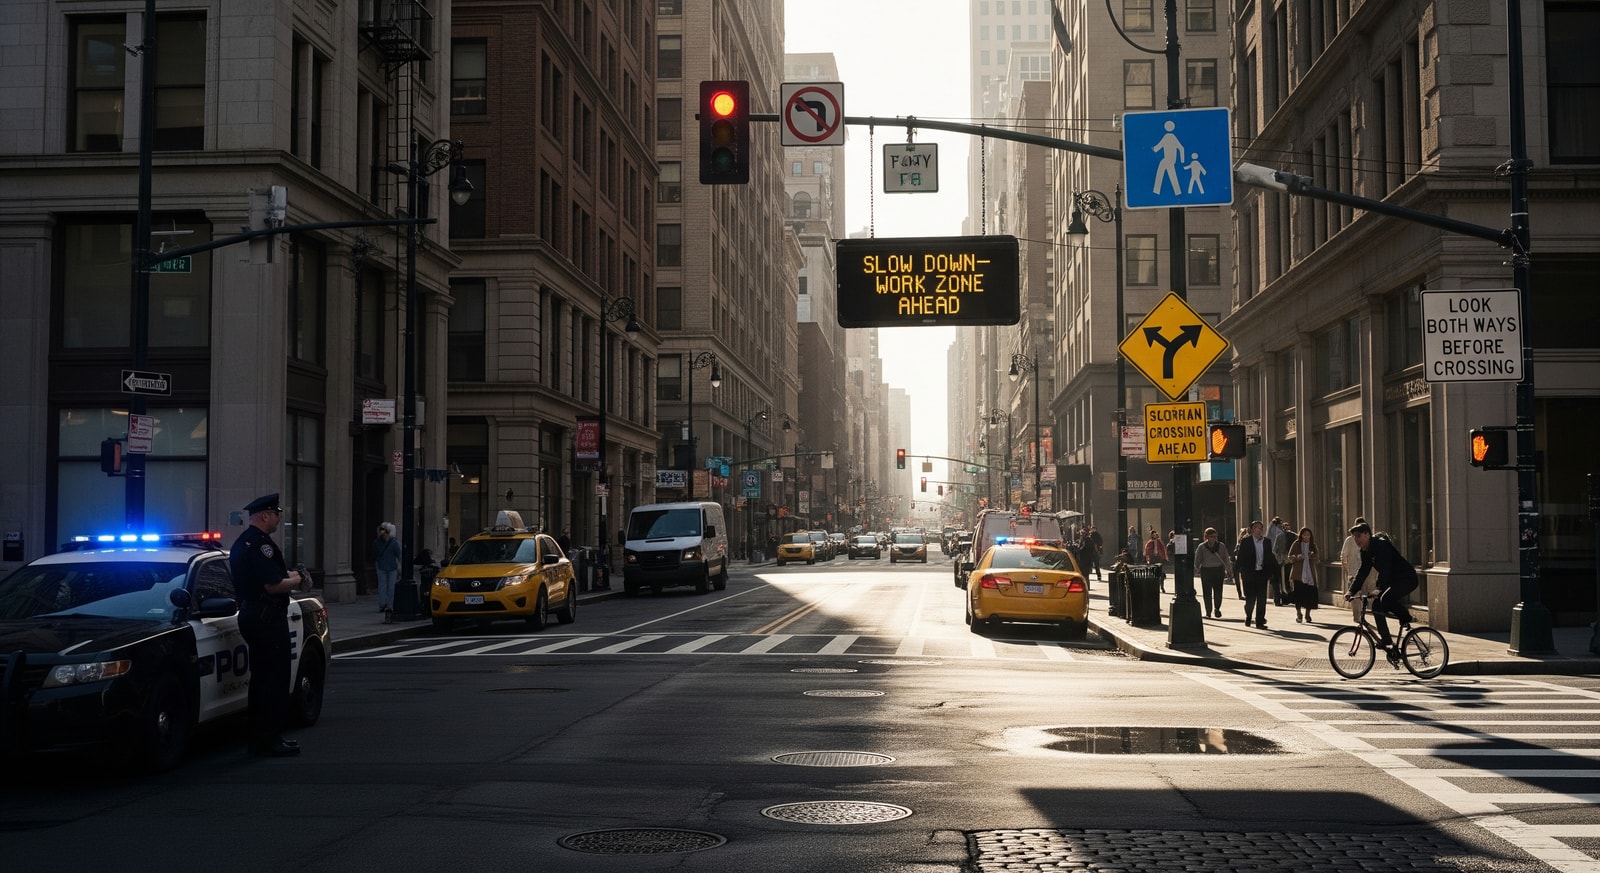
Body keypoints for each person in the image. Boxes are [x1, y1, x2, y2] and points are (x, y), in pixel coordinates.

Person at [229, 493, 304, 758]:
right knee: (273, 679)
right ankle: (268, 739)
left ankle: (262, 738)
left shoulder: (244, 543)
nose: (278, 518)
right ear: (264, 516)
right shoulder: (261, 545)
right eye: (275, 514)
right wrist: (295, 581)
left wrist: (288, 577)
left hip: (254, 615)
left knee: (262, 679)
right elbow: (272, 585)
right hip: (266, 618)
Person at [1344, 521, 1419, 654]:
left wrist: (1379, 588)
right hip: (1393, 581)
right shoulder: (1365, 551)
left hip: (1406, 578)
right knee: (1377, 606)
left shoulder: (1381, 544)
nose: (1356, 540)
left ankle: (1406, 617)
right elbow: (1363, 572)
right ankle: (1386, 639)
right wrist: (1351, 590)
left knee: (1385, 599)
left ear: (1367, 534)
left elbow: (1386, 568)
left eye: (1358, 536)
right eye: (1354, 537)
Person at [1233, 520, 1279, 629]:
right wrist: (1236, 570)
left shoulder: (1267, 542)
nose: (1259, 530)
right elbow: (1241, 558)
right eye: (1257, 528)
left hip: (1262, 574)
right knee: (1250, 599)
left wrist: (1273, 571)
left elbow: (1270, 558)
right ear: (1252, 530)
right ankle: (1248, 615)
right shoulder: (1246, 541)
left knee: (1261, 599)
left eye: (1261, 528)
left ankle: (1259, 621)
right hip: (1249, 574)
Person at [1194, 527, 1233, 619]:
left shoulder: (1221, 546)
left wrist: (1228, 569)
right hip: (1206, 570)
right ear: (1206, 537)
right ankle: (1208, 611)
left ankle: (1217, 608)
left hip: (1218, 570)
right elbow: (1197, 559)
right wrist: (1196, 568)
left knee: (1218, 591)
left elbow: (1226, 558)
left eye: (1215, 536)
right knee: (1207, 592)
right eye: (1211, 536)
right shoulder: (1202, 547)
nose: (1214, 538)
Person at [1340, 517, 1371, 621]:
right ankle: (1356, 616)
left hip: (1365, 572)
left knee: (1364, 595)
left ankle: (1362, 615)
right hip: (1353, 571)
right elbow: (1343, 555)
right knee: (1355, 595)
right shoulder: (1349, 540)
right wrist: (1347, 570)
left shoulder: (1369, 540)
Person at [1287, 526, 1320, 623]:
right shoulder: (1296, 544)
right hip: (1298, 573)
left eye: (1308, 535)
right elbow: (1290, 556)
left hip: (1310, 573)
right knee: (1298, 595)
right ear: (1301, 535)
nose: (1306, 537)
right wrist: (1297, 557)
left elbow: (1317, 558)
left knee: (1309, 594)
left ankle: (1307, 614)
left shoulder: (1313, 545)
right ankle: (1299, 613)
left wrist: (1312, 556)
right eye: (1304, 535)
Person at [372, 522, 401, 614]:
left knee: (387, 586)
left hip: (388, 566)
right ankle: (385, 604)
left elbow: (399, 554)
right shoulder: (381, 542)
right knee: (385, 586)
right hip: (385, 566)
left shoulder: (391, 542)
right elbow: (399, 555)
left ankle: (387, 604)